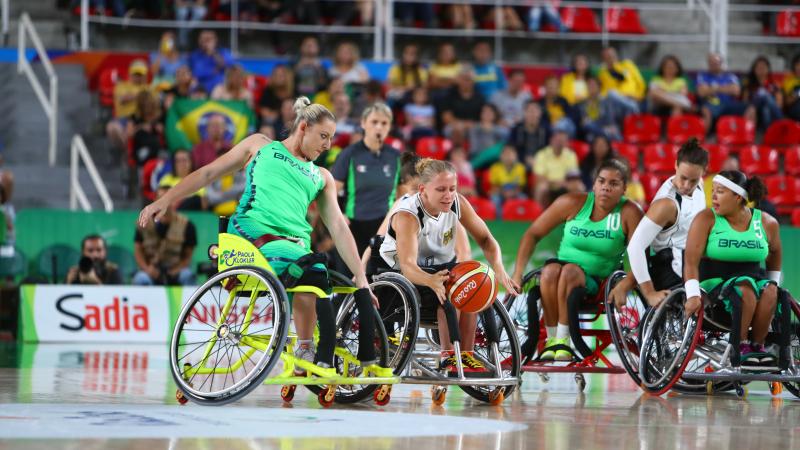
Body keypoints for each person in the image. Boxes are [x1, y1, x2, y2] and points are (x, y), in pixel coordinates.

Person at [138, 97, 383, 374]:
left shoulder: (321, 176)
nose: (328, 145)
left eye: (332, 138)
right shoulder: (260, 146)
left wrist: (361, 277)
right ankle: (312, 352)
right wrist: (165, 200)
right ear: (303, 127)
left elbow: (338, 226)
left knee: (312, 266)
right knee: (310, 266)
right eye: (323, 136)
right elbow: (208, 173)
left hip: (293, 246)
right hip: (249, 233)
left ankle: (306, 348)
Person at [379, 158, 519, 374]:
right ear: (423, 189)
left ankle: (466, 355)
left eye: (452, 189)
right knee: (450, 289)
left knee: (474, 284)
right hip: (401, 274)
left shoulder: (457, 203)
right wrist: (431, 280)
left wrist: (499, 270)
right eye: (441, 189)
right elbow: (408, 266)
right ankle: (448, 356)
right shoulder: (408, 215)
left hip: (440, 268)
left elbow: (487, 241)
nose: (448, 195)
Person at [512, 158, 643, 360]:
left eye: (613, 184)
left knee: (569, 271)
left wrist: (626, 284)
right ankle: (552, 341)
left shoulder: (630, 212)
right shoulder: (572, 202)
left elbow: (641, 255)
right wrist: (517, 274)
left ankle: (563, 340)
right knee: (549, 272)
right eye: (601, 181)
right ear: (594, 184)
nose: (606, 188)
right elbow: (532, 234)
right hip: (559, 275)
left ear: (624, 189)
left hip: (599, 283)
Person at [683, 170, 782, 367]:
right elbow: (690, 261)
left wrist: (774, 281)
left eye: (720, 191)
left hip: (752, 279)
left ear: (738, 197)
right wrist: (692, 294)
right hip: (714, 284)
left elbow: (775, 253)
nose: (713, 196)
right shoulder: (706, 219)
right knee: (745, 288)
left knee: (771, 290)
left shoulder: (766, 223)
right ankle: (741, 346)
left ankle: (757, 347)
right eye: (713, 191)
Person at [609, 139, 709, 308]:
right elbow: (635, 247)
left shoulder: (699, 184)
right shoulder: (666, 205)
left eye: (693, 180)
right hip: (671, 268)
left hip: (692, 260)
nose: (686, 185)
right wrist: (649, 293)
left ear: (703, 173)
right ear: (676, 165)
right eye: (683, 178)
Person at [331, 103, 400, 256]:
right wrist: (339, 215)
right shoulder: (349, 154)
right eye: (374, 122)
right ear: (363, 123)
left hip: (384, 228)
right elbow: (331, 191)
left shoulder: (395, 157)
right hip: (354, 227)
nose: (379, 127)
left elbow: (402, 195)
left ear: (389, 127)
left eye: (384, 123)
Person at [134, 185, 197, 286]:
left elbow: (188, 256)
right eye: (160, 199)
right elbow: (138, 251)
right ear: (155, 200)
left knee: (187, 275)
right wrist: (147, 268)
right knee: (140, 278)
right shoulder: (144, 223)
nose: (164, 203)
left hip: (175, 270)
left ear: (174, 201)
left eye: (168, 199)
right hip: (151, 269)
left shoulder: (187, 225)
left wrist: (177, 269)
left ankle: (192, 301)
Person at [106, 60, 153, 158]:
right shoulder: (122, 86)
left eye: (140, 74)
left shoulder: (148, 88)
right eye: (136, 74)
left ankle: (127, 152)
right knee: (112, 128)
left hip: (141, 119)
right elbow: (123, 99)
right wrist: (141, 94)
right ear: (130, 73)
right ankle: (124, 149)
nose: (138, 77)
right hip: (123, 119)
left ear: (145, 75)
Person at [696, 53, 756, 131]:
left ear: (721, 63)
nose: (713, 65)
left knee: (751, 108)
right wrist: (727, 88)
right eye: (711, 62)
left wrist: (713, 88)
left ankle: (748, 135)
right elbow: (701, 92)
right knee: (706, 110)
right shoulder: (702, 75)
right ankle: (702, 139)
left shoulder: (730, 76)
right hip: (712, 103)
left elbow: (736, 91)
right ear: (708, 64)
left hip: (729, 104)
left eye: (716, 62)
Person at [532, 129, 578, 206]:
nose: (560, 143)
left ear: (567, 143)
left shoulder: (571, 155)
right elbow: (539, 177)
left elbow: (574, 177)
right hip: (548, 184)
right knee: (541, 188)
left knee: (579, 186)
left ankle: (577, 215)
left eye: (563, 141)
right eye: (558, 140)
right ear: (551, 140)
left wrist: (564, 183)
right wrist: (555, 183)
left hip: (565, 184)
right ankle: (538, 214)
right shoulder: (541, 154)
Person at [597, 47, 644, 121]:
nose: (610, 58)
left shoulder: (627, 65)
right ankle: (632, 107)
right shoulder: (603, 73)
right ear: (604, 59)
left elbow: (640, 83)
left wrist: (638, 96)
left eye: (612, 55)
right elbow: (604, 92)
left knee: (625, 107)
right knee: (611, 94)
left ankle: (630, 108)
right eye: (607, 56)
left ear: (616, 55)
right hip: (615, 102)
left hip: (631, 98)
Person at [742, 55, 783, 131]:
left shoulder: (774, 85)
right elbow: (745, 104)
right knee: (764, 109)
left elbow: (778, 105)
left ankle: (770, 133)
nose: (761, 69)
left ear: (768, 69)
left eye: (763, 67)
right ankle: (768, 134)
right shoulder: (749, 86)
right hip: (756, 115)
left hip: (774, 114)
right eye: (758, 67)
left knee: (765, 102)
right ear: (754, 70)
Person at [488, 144, 527, 216]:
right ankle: (499, 219)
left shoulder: (520, 168)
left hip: (515, 193)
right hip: (500, 192)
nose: (508, 157)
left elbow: (520, 187)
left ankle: (520, 217)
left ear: (516, 156)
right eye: (506, 154)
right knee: (495, 199)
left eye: (511, 154)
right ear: (501, 156)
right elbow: (494, 186)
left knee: (523, 198)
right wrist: (504, 193)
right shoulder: (495, 168)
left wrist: (512, 193)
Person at [508, 101, 550, 168]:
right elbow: (512, 148)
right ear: (524, 113)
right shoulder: (516, 129)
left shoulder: (546, 130)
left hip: (541, 163)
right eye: (529, 111)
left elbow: (548, 149)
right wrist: (526, 158)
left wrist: (538, 161)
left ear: (540, 113)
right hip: (520, 163)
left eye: (535, 111)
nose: (532, 114)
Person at [782, 54, 800, 121]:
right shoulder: (789, 81)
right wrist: (798, 93)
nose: (799, 67)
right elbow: (787, 102)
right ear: (794, 66)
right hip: (794, 109)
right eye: (797, 65)